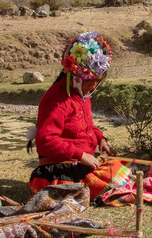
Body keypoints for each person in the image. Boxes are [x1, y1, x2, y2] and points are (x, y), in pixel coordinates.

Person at [28, 32, 128, 199]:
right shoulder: (57, 99)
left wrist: (100, 139)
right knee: (113, 180)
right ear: (76, 75)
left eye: (98, 81)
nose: (93, 86)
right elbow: (45, 140)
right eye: (90, 81)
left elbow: (82, 126)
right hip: (60, 170)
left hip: (80, 162)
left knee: (122, 170)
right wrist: (81, 155)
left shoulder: (80, 93)